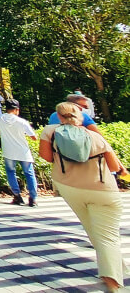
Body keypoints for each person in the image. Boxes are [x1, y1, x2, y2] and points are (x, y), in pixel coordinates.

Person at [39, 102, 129, 292]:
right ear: (81, 117)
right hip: (102, 190)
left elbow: (46, 157)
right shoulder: (95, 137)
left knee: (93, 231)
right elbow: (114, 167)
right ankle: (112, 281)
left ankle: (115, 268)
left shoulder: (50, 132)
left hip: (69, 188)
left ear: (59, 116)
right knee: (108, 236)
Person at [0, 99, 39, 206]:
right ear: (17, 109)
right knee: (29, 173)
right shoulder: (22, 121)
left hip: (8, 150)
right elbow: (34, 137)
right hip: (23, 151)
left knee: (10, 172)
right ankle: (33, 198)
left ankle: (17, 196)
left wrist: (5, 134)